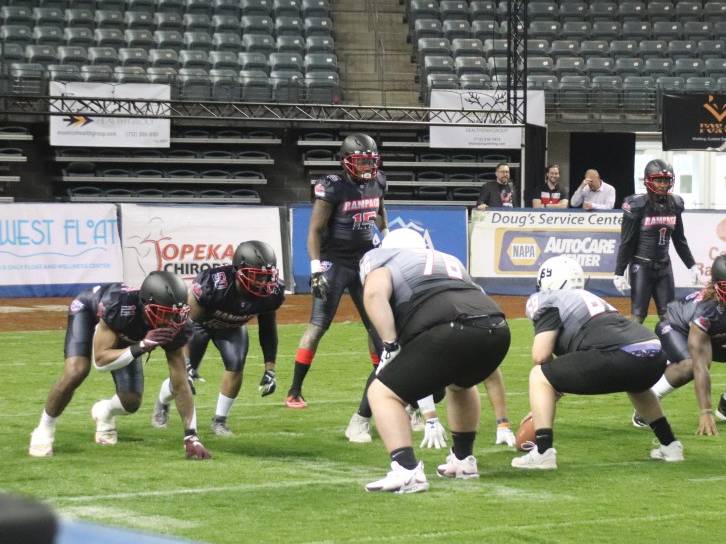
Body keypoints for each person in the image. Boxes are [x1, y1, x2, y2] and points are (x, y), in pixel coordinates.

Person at [358, 228, 511, 493]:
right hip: (497, 328)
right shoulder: (448, 261)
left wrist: (390, 343)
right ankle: (463, 460)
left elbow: (373, 294)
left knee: (381, 393)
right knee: (460, 384)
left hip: (448, 328)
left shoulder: (385, 260)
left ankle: (406, 471)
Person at [513, 256, 684, 470]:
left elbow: (541, 356)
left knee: (538, 375)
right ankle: (670, 445)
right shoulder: (592, 299)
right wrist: (545, 402)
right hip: (654, 353)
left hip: (619, 354)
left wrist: (545, 396)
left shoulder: (547, 299)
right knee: (637, 386)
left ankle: (543, 452)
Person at [29, 270, 210, 460]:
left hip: (126, 332)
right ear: (147, 306)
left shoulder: (177, 324)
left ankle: (104, 413)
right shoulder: (120, 305)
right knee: (76, 371)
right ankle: (44, 429)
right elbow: (100, 361)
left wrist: (191, 436)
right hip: (88, 312)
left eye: (177, 314)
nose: (171, 321)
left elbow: (180, 382)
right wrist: (140, 346)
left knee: (131, 402)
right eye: (166, 314)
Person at [287, 133, 390, 446]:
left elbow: (380, 214)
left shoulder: (378, 181)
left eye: (370, 161)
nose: (367, 167)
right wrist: (316, 268)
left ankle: (381, 379)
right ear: (346, 162)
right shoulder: (332, 186)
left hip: (365, 260)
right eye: (360, 161)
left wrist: (388, 238)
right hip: (336, 262)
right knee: (319, 325)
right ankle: (294, 390)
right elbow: (314, 230)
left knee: (377, 326)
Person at [151, 240, 284, 437]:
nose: (262, 282)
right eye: (256, 276)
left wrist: (270, 369)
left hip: (232, 327)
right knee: (182, 376)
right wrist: (187, 363)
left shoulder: (271, 293)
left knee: (236, 365)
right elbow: (183, 323)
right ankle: (162, 402)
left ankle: (220, 420)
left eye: (266, 276)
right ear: (239, 270)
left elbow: (268, 329)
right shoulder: (214, 284)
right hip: (199, 325)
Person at [638, 252, 726, 433]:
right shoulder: (706, 310)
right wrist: (706, 412)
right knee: (690, 365)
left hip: (711, 332)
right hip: (676, 327)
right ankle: (645, 404)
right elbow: (700, 367)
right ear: (717, 285)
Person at [613, 159, 701, 324]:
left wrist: (692, 265)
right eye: (658, 180)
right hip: (642, 266)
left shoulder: (674, 204)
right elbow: (627, 241)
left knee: (669, 317)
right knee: (638, 316)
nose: (662, 185)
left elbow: (679, 239)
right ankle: (632, 342)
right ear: (648, 181)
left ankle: (667, 342)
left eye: (666, 180)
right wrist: (619, 271)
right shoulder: (637, 205)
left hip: (664, 266)